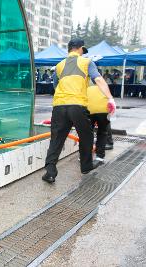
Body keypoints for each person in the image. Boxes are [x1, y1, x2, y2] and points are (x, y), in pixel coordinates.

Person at [42, 38, 116, 183]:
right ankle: (86, 166)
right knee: (86, 136)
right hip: (77, 106)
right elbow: (99, 80)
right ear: (80, 49)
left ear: (69, 49)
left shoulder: (59, 66)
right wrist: (110, 98)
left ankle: (50, 172)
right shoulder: (87, 62)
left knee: (56, 139)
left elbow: (55, 86)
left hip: (59, 106)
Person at [87, 85, 115, 166]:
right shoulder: (104, 84)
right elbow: (110, 98)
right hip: (103, 110)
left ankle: (84, 156)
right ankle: (100, 157)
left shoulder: (85, 83)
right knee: (102, 133)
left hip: (89, 110)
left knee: (87, 133)